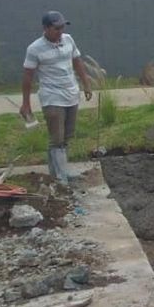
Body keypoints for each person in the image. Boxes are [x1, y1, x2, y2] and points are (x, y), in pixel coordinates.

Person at [20, 11, 94, 185]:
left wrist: (86, 83)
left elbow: (77, 61)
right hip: (52, 97)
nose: (60, 31)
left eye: (62, 27)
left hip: (71, 94)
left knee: (67, 136)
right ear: (45, 28)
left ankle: (58, 173)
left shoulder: (68, 40)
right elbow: (27, 77)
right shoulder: (35, 48)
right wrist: (26, 104)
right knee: (57, 138)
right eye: (56, 28)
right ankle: (61, 177)